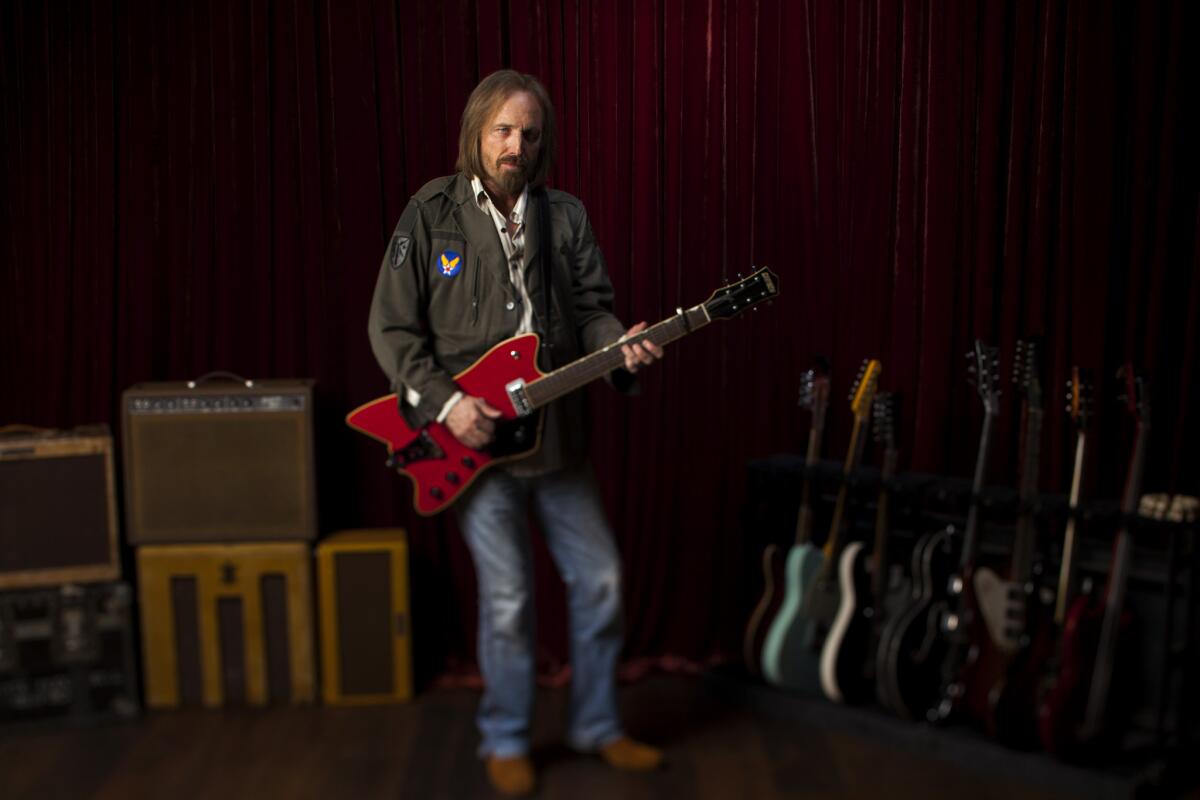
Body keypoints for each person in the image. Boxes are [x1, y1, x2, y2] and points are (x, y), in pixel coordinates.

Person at [368, 69, 664, 797]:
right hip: (475, 450)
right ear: (477, 131)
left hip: (558, 440)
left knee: (599, 581)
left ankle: (596, 725)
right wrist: (443, 404)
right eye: (502, 129)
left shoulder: (564, 216)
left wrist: (619, 343)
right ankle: (504, 736)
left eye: (529, 133)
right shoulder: (429, 212)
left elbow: (594, 309)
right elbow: (392, 328)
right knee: (508, 602)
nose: (515, 145)